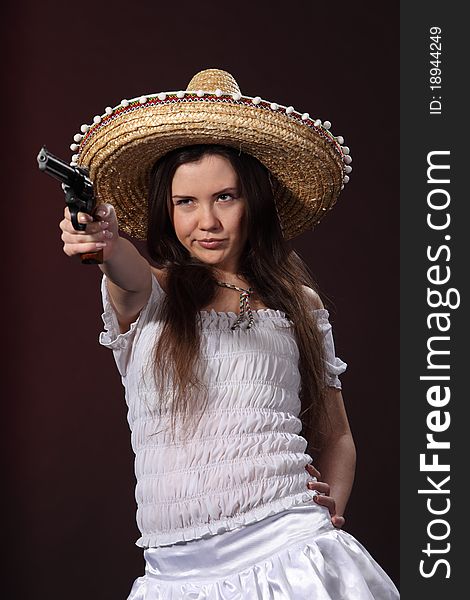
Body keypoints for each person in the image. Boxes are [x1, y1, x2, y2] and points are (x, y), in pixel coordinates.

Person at [59, 69, 399, 599]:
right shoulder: (152, 294)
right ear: (165, 210)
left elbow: (334, 433)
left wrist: (331, 512)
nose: (207, 221)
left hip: (288, 546)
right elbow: (120, 262)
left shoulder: (300, 307)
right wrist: (100, 237)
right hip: (175, 573)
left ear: (254, 201)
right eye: (185, 202)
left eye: (225, 197)